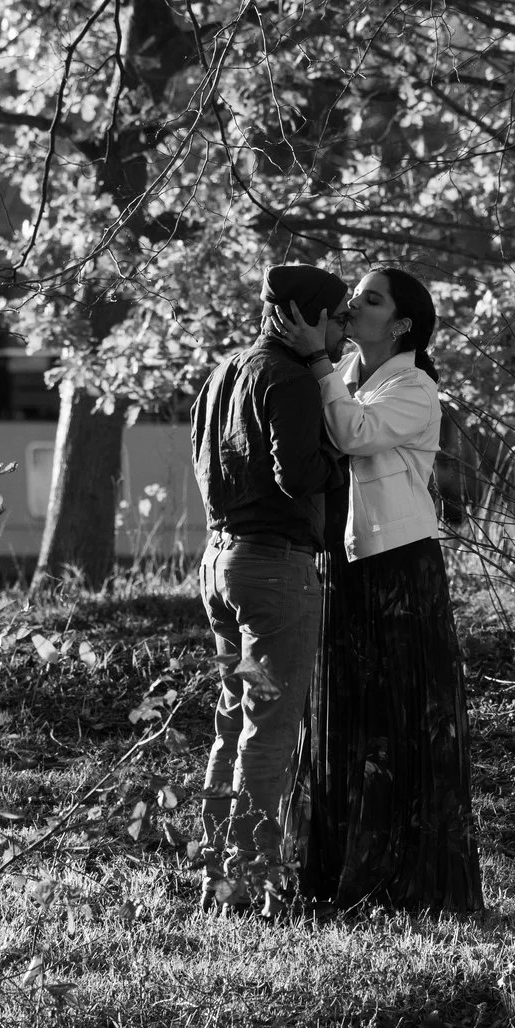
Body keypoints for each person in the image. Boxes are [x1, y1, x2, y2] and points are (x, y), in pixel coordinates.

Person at [279, 267, 483, 915]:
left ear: (401, 324)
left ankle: (411, 883)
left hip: (400, 568)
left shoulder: (416, 387)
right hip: (343, 566)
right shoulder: (339, 376)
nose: (351, 306)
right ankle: (340, 875)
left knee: (397, 721)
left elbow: (353, 434)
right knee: (344, 717)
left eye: (369, 299)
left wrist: (314, 361)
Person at [191, 264, 350, 917]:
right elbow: (300, 474)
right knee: (270, 733)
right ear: (305, 315)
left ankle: (214, 879)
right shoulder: (289, 379)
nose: (343, 328)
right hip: (274, 568)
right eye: (337, 315)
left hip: (219, 561)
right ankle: (248, 884)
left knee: (232, 726)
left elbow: (202, 460)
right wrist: (349, 453)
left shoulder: (225, 371)